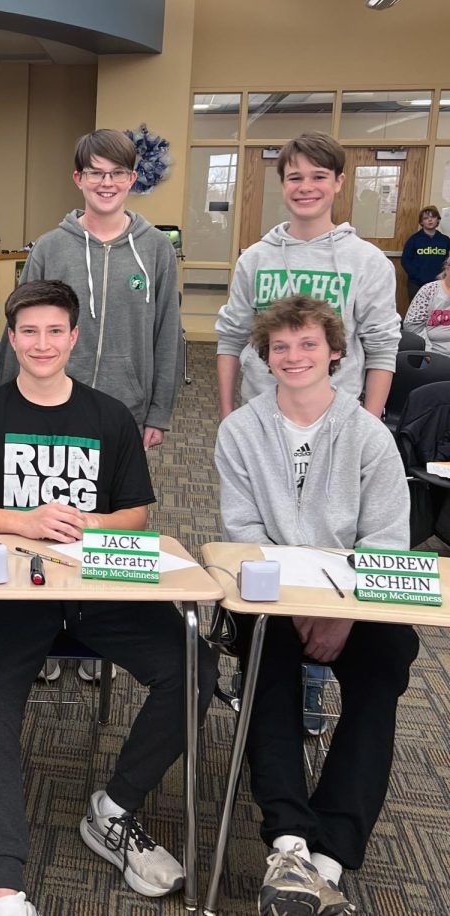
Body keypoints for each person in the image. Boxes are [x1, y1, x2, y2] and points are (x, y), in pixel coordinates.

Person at [0, 280, 217, 916]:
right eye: (28, 332)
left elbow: (135, 512)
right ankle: (5, 884)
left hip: (100, 585)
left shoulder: (108, 415)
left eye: (55, 331)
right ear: (13, 340)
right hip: (12, 592)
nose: (42, 343)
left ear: (74, 337)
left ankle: (113, 811)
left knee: (195, 665)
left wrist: (90, 525)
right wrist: (22, 521)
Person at [214, 296, 417, 916]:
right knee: (266, 664)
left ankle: (327, 855)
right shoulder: (240, 431)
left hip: (353, 604)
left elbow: (385, 543)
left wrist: (343, 613)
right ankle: (289, 840)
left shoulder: (368, 435)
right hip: (275, 598)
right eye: (281, 347)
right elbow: (243, 534)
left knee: (385, 665)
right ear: (264, 357)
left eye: (307, 345)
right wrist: (297, 604)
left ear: (335, 352)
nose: (294, 357)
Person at [0, 128, 181, 451]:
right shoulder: (50, 247)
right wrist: (6, 401)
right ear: (78, 178)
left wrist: (159, 412)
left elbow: (166, 334)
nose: (106, 183)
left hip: (126, 409)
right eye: (95, 173)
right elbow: (18, 329)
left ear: (131, 178)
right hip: (49, 405)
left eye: (117, 173)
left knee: (113, 502)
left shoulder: (155, 249)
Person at [216, 132, 400, 422]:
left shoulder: (367, 262)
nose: (306, 187)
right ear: (282, 184)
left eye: (318, 177)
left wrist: (369, 427)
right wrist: (227, 415)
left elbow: (382, 349)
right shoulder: (254, 258)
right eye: (295, 178)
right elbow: (231, 338)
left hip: (338, 420)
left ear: (339, 181)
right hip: (260, 417)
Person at [402, 253, 450, 356]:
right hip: (433, 354)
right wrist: (428, 352)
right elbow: (412, 326)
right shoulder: (429, 290)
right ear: (447, 269)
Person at [400, 206, 450, 303]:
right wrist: (418, 276)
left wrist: (445, 276)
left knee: (438, 313)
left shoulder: (445, 240)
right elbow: (405, 260)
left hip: (440, 284)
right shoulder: (414, 240)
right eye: (426, 218)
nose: (430, 220)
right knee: (417, 313)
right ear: (421, 222)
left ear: (438, 220)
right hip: (417, 284)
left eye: (433, 217)